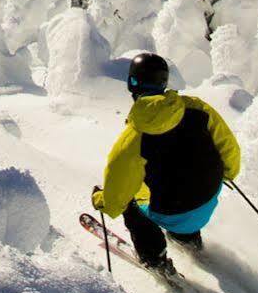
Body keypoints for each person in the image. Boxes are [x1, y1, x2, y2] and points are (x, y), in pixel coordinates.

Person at [91, 52, 241, 276]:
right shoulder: (198, 109)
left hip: (171, 213)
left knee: (130, 202)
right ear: (163, 81)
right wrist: (228, 174)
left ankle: (155, 258)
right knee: (183, 184)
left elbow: (117, 193)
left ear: (132, 83)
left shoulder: (133, 138)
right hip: (208, 201)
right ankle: (188, 239)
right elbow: (228, 147)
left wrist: (101, 200)